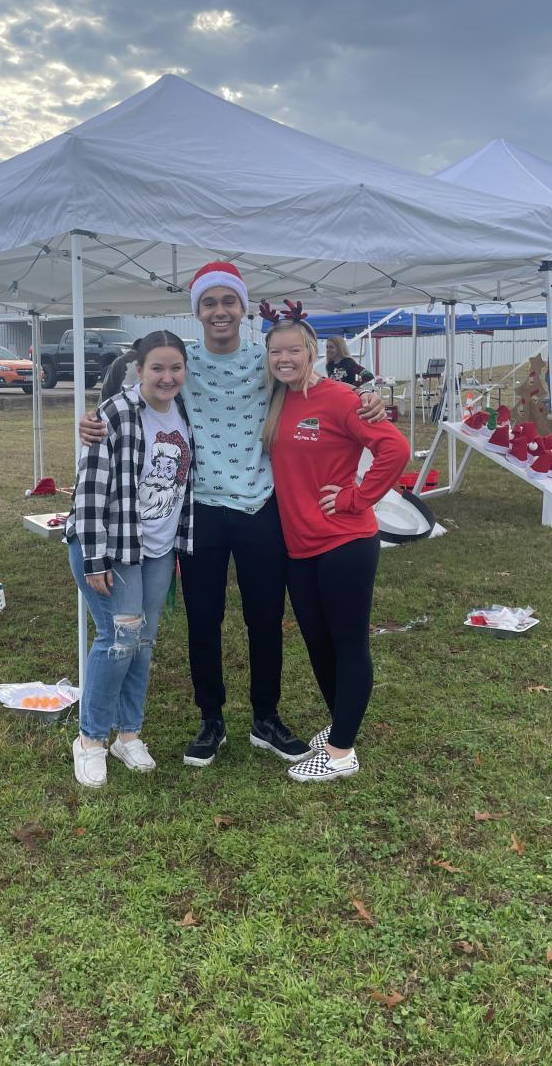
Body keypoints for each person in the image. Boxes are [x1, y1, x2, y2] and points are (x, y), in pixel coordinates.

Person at [78, 261, 388, 769]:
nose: (219, 311)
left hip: (261, 507)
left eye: (228, 301)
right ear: (197, 311)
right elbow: (141, 391)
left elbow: (311, 381)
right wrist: (94, 419)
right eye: (209, 303)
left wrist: (364, 397)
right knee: (204, 621)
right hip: (199, 511)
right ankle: (211, 720)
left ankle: (266, 718)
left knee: (264, 620)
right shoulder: (184, 362)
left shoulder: (268, 360)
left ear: (243, 309)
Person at [262, 304, 410, 782]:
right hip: (299, 547)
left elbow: (395, 449)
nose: (284, 358)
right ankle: (342, 724)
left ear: (311, 351)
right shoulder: (276, 399)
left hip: (344, 541)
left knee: (348, 643)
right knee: (318, 642)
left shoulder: (341, 398)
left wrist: (357, 497)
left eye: (293, 350)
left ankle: (342, 752)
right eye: (275, 351)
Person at [65, 331, 193, 788]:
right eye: (157, 368)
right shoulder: (115, 413)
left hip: (158, 549)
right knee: (118, 640)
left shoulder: (186, 411)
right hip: (111, 547)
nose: (167, 376)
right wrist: (95, 557)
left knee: (143, 642)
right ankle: (90, 740)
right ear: (138, 370)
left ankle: (129, 734)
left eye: (175, 367)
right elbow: (90, 488)